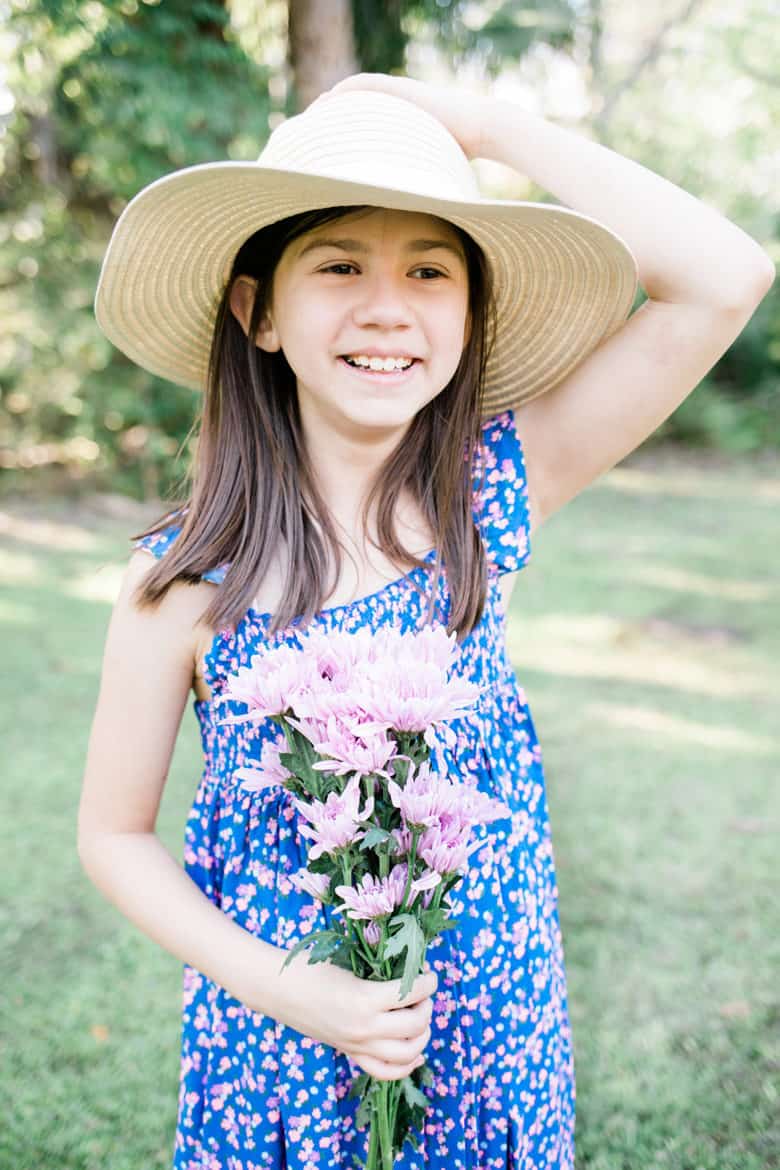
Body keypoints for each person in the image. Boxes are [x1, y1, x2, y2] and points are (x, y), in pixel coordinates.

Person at [77, 72, 774, 1170]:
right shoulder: (187, 577)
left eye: (432, 270)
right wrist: (294, 990)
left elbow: (726, 276)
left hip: (492, 1023)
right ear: (257, 311)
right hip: (281, 1039)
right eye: (340, 265)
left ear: (469, 316)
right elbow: (113, 837)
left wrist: (488, 126)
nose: (388, 306)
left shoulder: (494, 489)